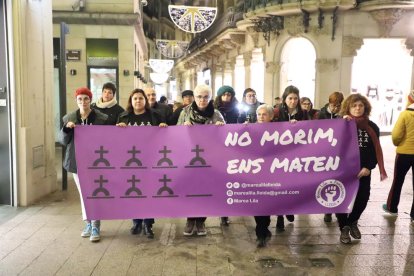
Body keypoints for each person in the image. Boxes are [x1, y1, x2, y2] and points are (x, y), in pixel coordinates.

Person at [59, 87, 108, 242]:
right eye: (80, 99)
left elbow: (108, 139)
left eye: (86, 98)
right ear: (76, 100)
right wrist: (67, 129)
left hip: (97, 161)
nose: (83, 101)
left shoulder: (102, 118)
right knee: (84, 194)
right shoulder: (69, 118)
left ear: (90, 100)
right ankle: (89, 223)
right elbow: (63, 141)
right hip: (77, 161)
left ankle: (95, 225)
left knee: (95, 193)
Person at [117, 88, 167, 239]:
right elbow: (115, 139)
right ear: (131, 102)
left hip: (151, 160)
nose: (138, 101)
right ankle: (136, 221)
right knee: (134, 192)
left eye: (140, 98)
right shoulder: (123, 117)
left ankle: (148, 223)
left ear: (145, 100)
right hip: (131, 161)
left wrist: (164, 128)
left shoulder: (155, 116)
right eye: (135, 99)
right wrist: (118, 129)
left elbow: (165, 137)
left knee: (149, 192)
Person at [337, 93, 387, 244]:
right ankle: (344, 228)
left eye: (360, 105)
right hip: (342, 171)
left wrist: (369, 167)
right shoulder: (340, 124)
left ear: (365, 107)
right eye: (354, 105)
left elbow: (374, 150)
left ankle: (352, 221)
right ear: (348, 107)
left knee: (362, 199)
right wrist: (341, 125)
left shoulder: (372, 127)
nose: (357, 108)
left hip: (363, 171)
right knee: (341, 200)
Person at [177, 84, 225, 236]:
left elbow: (226, 136)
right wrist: (182, 127)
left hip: (208, 160)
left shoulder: (216, 114)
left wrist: (221, 127)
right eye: (199, 96)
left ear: (210, 98)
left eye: (205, 97)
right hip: (189, 158)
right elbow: (175, 133)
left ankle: (201, 221)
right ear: (194, 97)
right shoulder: (185, 112)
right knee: (190, 190)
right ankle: (190, 220)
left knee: (204, 190)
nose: (202, 100)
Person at [273, 85, 309, 231]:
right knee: (280, 186)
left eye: (295, 98)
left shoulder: (303, 113)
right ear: (284, 99)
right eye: (290, 98)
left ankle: (289, 208)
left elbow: (311, 129)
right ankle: (280, 216)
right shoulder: (276, 112)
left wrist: (299, 125)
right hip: (279, 155)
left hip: (296, 156)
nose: (293, 101)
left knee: (293, 185)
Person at [383, 90, 414, 222]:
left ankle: (392, 207)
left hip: (404, 153)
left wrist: (398, 144)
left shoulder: (405, 114)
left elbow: (396, 135)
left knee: (398, 181)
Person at [214, 85, 239, 226]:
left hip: (233, 147)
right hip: (218, 148)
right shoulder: (215, 110)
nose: (227, 97)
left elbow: (240, 123)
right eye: (224, 95)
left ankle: (225, 212)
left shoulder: (236, 109)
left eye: (229, 95)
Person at [317, 91, 344, 223]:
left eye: (338, 106)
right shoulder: (321, 114)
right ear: (329, 103)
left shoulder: (342, 115)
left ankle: (337, 209)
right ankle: (328, 210)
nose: (335, 108)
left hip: (338, 153)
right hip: (324, 153)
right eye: (333, 105)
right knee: (327, 181)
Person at [254, 104, 275, 247]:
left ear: (271, 116)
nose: (261, 117)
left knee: (266, 202)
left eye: (264, 114)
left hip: (271, 172)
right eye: (259, 114)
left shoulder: (278, 130)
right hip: (255, 173)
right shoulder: (250, 129)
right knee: (257, 202)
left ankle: (263, 228)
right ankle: (261, 231)